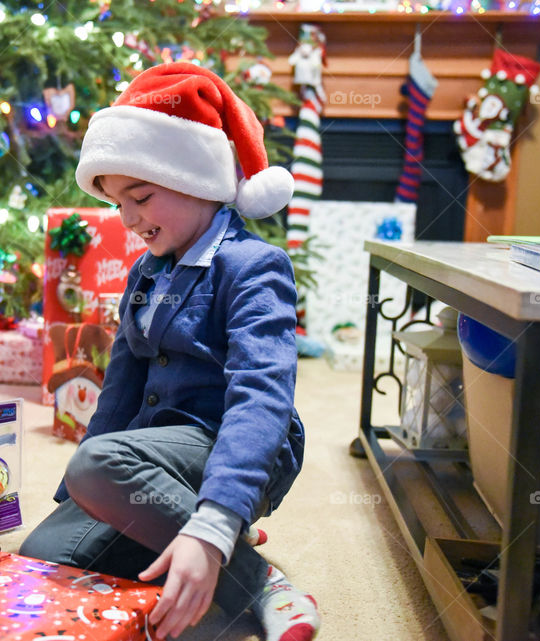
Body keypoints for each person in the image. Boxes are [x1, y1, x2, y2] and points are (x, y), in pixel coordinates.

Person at [19, 62, 320, 641]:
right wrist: (80, 497)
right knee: (47, 554)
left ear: (199, 179)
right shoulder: (145, 272)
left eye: (142, 196)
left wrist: (209, 513)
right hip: (154, 453)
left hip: (236, 441)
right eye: (117, 204)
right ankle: (204, 531)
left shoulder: (255, 267)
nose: (128, 219)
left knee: (100, 462)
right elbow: (121, 389)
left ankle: (252, 575)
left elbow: (263, 395)